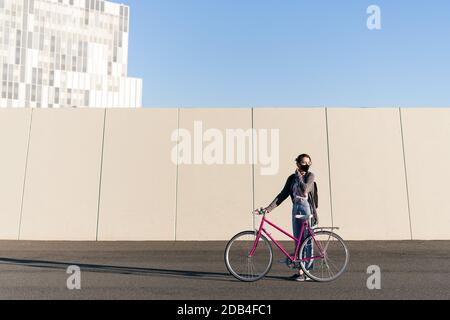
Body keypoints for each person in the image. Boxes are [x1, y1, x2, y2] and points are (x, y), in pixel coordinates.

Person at [262, 154, 317, 282]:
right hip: (296, 209)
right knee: (298, 240)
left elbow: (305, 190)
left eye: (308, 162)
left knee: (307, 241)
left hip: (306, 209)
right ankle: (300, 272)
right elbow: (282, 195)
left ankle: (307, 272)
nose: (306, 165)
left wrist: (299, 176)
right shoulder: (291, 178)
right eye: (303, 162)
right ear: (297, 163)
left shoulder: (310, 176)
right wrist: (268, 209)